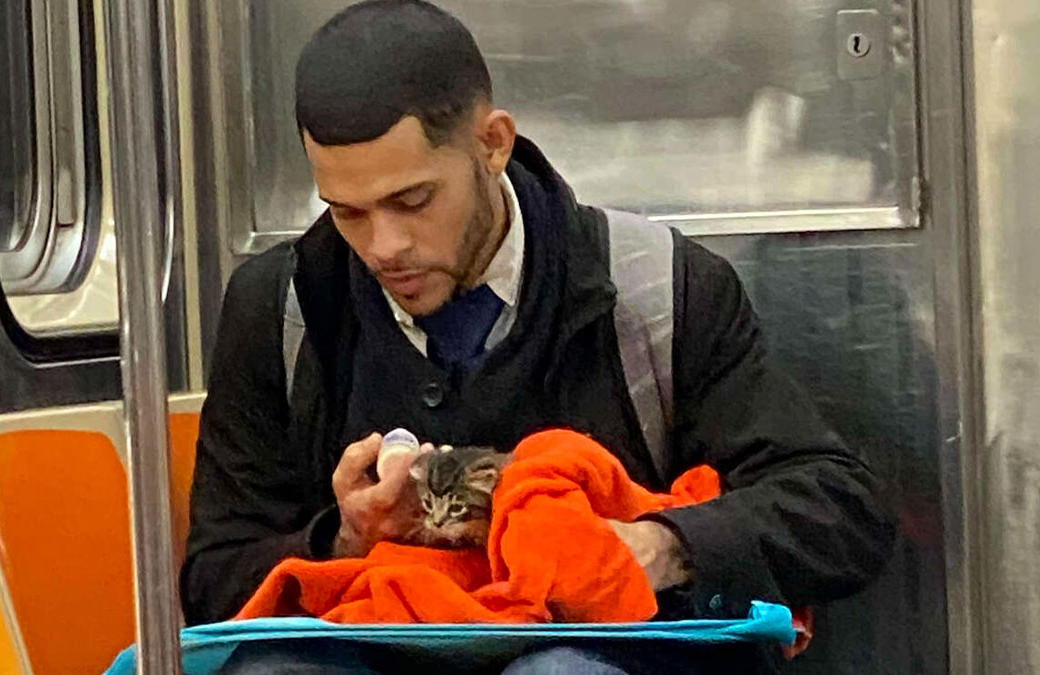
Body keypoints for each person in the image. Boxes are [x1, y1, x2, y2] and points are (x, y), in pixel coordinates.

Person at [181, 1, 896, 672]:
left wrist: (657, 546)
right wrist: (342, 536)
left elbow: (840, 506)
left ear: (493, 145)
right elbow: (213, 578)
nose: (383, 246)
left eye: (413, 200)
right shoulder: (286, 305)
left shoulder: (657, 290)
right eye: (347, 212)